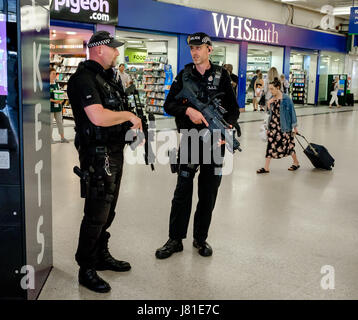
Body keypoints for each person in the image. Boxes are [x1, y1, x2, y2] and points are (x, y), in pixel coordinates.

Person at [67, 31, 142, 293]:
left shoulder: (107, 79)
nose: (117, 53)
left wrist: (130, 129)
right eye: (114, 49)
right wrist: (128, 116)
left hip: (114, 151)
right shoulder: (84, 80)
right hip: (97, 154)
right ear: (99, 49)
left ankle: (100, 254)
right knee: (96, 213)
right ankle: (86, 267)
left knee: (109, 210)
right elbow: (97, 117)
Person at [155, 32, 240, 259]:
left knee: (208, 193)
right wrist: (187, 111)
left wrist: (228, 128)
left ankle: (200, 239)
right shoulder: (184, 75)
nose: (194, 52)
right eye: (192, 48)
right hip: (191, 140)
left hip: (214, 142)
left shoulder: (222, 76)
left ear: (209, 49)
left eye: (199, 48)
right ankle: (175, 239)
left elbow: (233, 109)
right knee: (182, 191)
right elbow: (169, 104)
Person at [256, 77, 300, 174]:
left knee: (288, 146)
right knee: (270, 146)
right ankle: (266, 168)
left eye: (272, 89)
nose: (270, 91)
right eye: (270, 89)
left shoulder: (286, 99)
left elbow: (292, 113)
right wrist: (268, 104)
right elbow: (269, 114)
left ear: (278, 87)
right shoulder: (272, 99)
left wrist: (294, 127)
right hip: (273, 127)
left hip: (284, 127)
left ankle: (296, 162)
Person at [50, 68, 69, 143]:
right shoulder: (46, 85)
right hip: (50, 107)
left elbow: (59, 94)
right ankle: (50, 138)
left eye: (55, 74)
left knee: (60, 122)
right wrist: (54, 101)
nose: (55, 75)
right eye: (53, 74)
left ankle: (62, 137)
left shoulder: (56, 83)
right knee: (50, 123)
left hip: (58, 107)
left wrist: (61, 100)